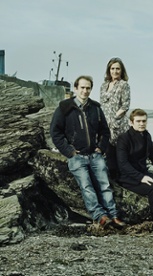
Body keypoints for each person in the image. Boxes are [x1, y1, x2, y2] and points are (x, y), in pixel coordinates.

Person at [50, 75, 126, 229]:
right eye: (82, 88)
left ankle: (113, 215)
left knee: (105, 185)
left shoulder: (96, 108)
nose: (85, 91)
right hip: (76, 157)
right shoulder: (64, 107)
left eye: (88, 88)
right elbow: (55, 132)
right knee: (86, 186)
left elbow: (105, 131)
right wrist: (69, 151)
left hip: (95, 155)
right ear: (76, 89)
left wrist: (101, 148)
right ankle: (100, 216)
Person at [99, 57, 131, 179]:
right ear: (109, 70)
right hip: (105, 125)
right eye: (112, 68)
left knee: (121, 156)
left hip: (118, 125)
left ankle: (124, 181)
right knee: (109, 156)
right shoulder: (103, 86)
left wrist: (114, 119)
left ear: (122, 70)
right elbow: (102, 105)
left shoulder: (124, 85)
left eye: (118, 69)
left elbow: (125, 105)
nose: (115, 71)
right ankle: (113, 181)